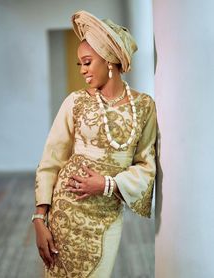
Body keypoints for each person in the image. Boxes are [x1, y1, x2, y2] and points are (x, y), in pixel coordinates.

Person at [32, 10, 157, 278]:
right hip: (65, 213)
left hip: (106, 217)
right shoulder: (75, 102)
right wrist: (40, 219)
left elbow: (147, 165)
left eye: (87, 62)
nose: (83, 70)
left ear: (109, 59)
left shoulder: (144, 106)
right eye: (80, 64)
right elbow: (50, 161)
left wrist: (106, 184)